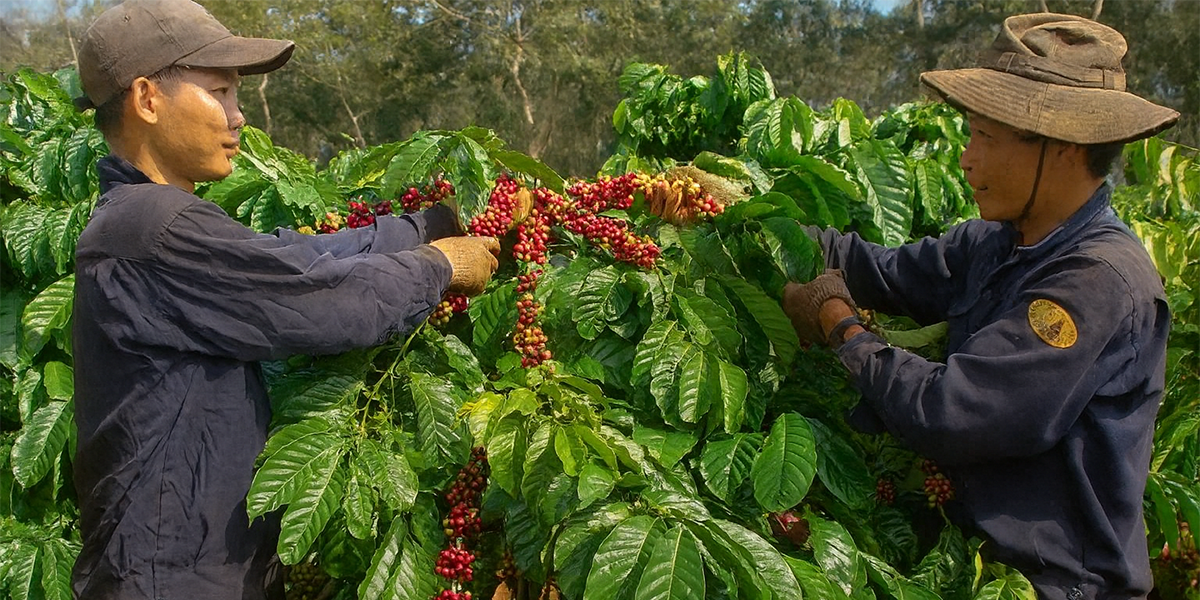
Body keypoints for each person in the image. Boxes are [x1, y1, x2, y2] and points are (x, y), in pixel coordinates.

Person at [69, 1, 502, 598]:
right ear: (147, 99)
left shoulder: (156, 221)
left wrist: (431, 223)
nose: (238, 116)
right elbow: (317, 301)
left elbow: (296, 259)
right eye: (219, 92)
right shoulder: (153, 230)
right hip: (171, 580)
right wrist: (440, 266)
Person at [781, 13, 1179, 600]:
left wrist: (840, 325)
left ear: (1064, 147)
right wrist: (743, 218)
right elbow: (877, 269)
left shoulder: (1095, 282)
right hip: (978, 573)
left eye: (985, 138)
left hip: (1061, 588)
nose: (967, 159)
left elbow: (954, 413)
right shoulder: (996, 243)